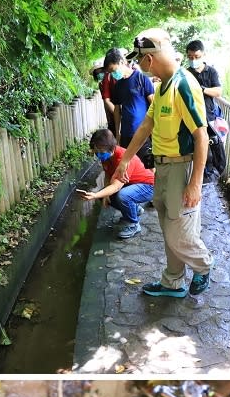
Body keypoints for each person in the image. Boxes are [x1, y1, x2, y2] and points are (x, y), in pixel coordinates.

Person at [113, 28, 212, 298]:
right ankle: (173, 282)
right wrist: (125, 160)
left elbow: (200, 136)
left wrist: (195, 184)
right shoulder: (161, 88)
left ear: (149, 60)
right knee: (169, 227)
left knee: (179, 231)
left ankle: (203, 265)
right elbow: (147, 124)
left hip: (182, 168)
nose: (138, 66)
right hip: (164, 167)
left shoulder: (183, 85)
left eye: (139, 60)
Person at [79, 128, 154, 239]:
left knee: (122, 195)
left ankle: (133, 224)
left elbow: (115, 186)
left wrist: (94, 195)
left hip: (148, 186)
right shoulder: (106, 156)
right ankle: (135, 210)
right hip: (131, 185)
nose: (99, 155)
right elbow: (108, 175)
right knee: (104, 195)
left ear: (112, 148)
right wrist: (104, 194)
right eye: (96, 152)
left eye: (101, 152)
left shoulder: (123, 158)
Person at [103, 48, 155, 168]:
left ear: (122, 62)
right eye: (110, 72)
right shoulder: (118, 86)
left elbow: (153, 104)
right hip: (126, 134)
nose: (113, 74)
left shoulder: (142, 79)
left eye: (113, 70)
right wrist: (117, 133)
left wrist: (154, 131)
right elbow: (117, 110)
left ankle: (152, 187)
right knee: (128, 166)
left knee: (148, 166)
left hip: (143, 133)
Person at [186, 40, 224, 182]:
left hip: (209, 116)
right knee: (194, 146)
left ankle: (208, 174)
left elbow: (218, 91)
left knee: (210, 146)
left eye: (196, 57)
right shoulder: (186, 73)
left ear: (203, 55)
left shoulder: (211, 71)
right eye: (190, 57)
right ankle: (194, 174)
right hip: (191, 117)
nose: (193, 60)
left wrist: (202, 90)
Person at [90, 57, 115, 133]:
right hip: (109, 106)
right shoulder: (101, 84)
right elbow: (105, 100)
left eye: (100, 72)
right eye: (97, 74)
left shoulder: (113, 77)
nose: (99, 74)